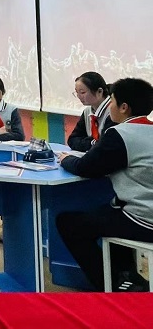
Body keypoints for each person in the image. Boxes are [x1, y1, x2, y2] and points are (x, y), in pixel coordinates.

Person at [56, 77, 153, 292]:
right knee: (109, 211)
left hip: (143, 219)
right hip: (143, 212)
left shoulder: (121, 134)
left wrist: (65, 160)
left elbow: (86, 167)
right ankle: (128, 277)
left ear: (124, 107)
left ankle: (109, 285)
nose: (110, 107)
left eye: (113, 101)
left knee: (69, 223)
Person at [68, 72, 115, 152]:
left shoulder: (114, 112)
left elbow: (104, 145)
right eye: (77, 92)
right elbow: (72, 140)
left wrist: (90, 143)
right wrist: (92, 143)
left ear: (99, 91)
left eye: (82, 92)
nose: (79, 96)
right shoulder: (87, 111)